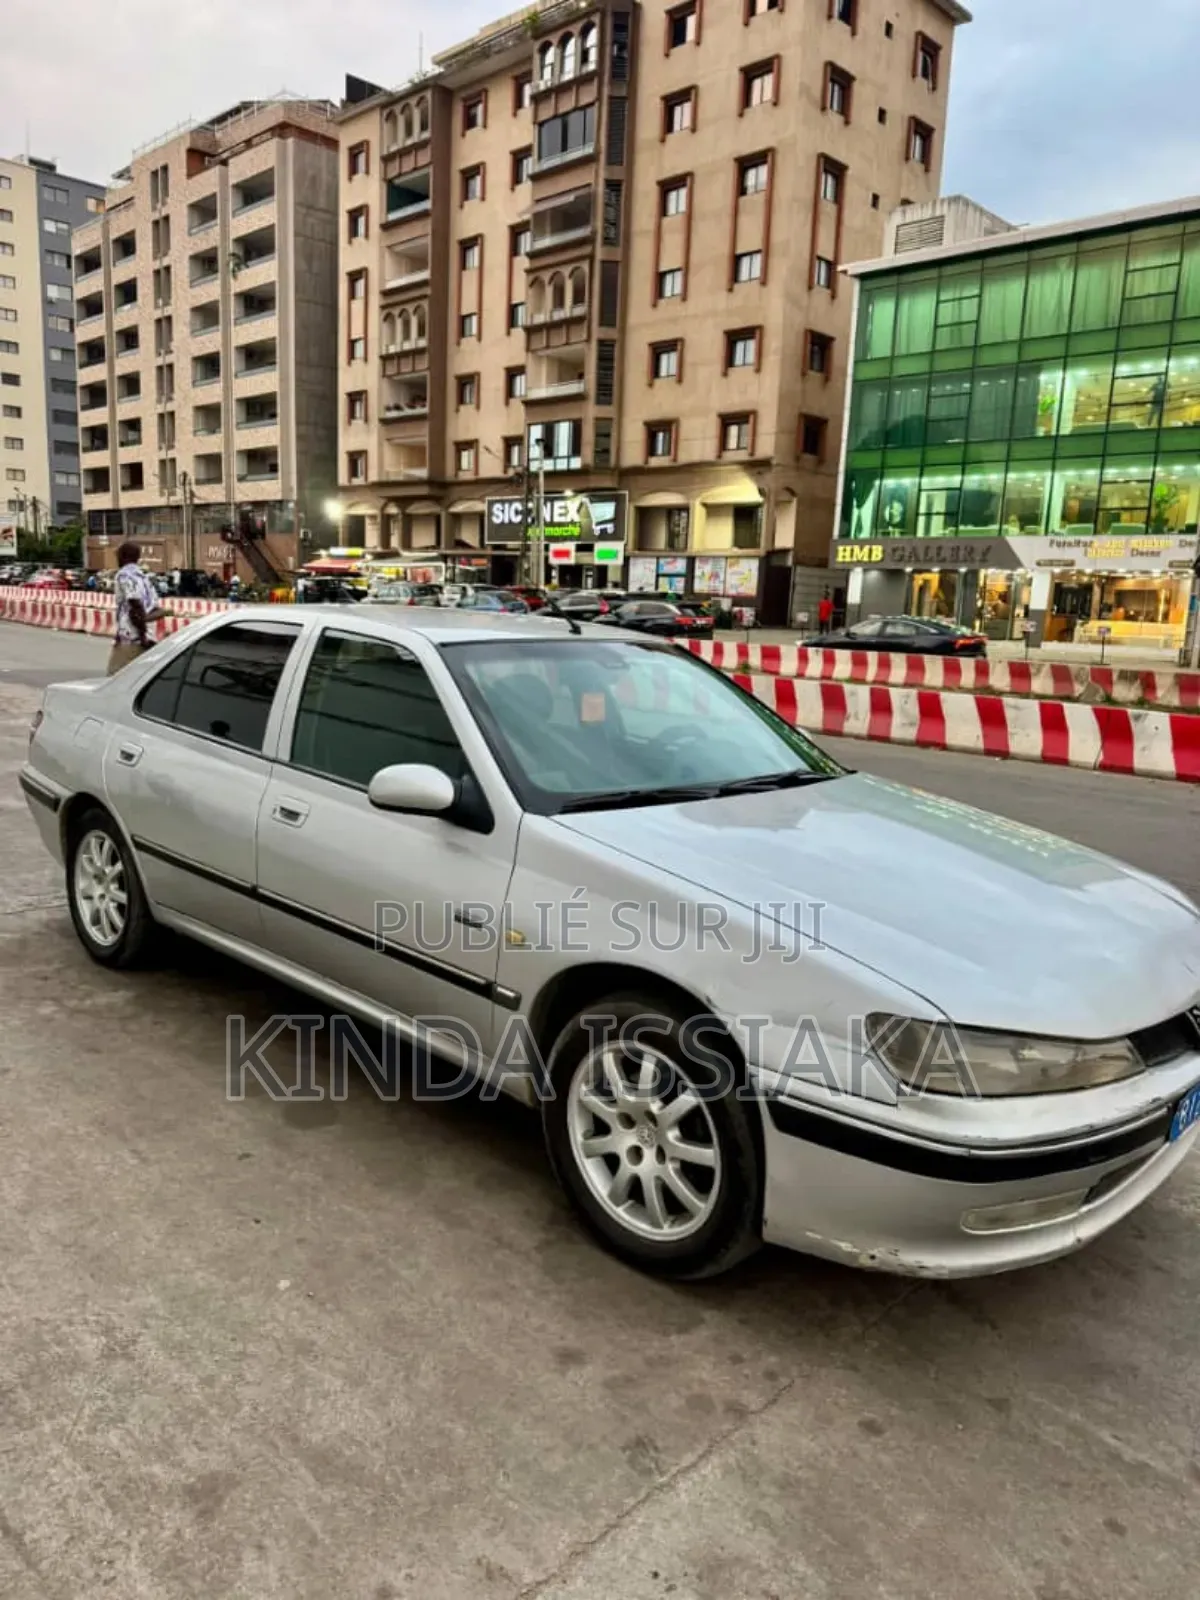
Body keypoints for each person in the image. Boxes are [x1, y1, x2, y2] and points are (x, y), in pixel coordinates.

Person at [108, 541, 171, 675]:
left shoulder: (124, 575)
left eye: (118, 555)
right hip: (147, 638)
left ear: (123, 556)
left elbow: (134, 605)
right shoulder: (144, 578)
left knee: (113, 680)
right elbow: (153, 608)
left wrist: (142, 635)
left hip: (131, 638)